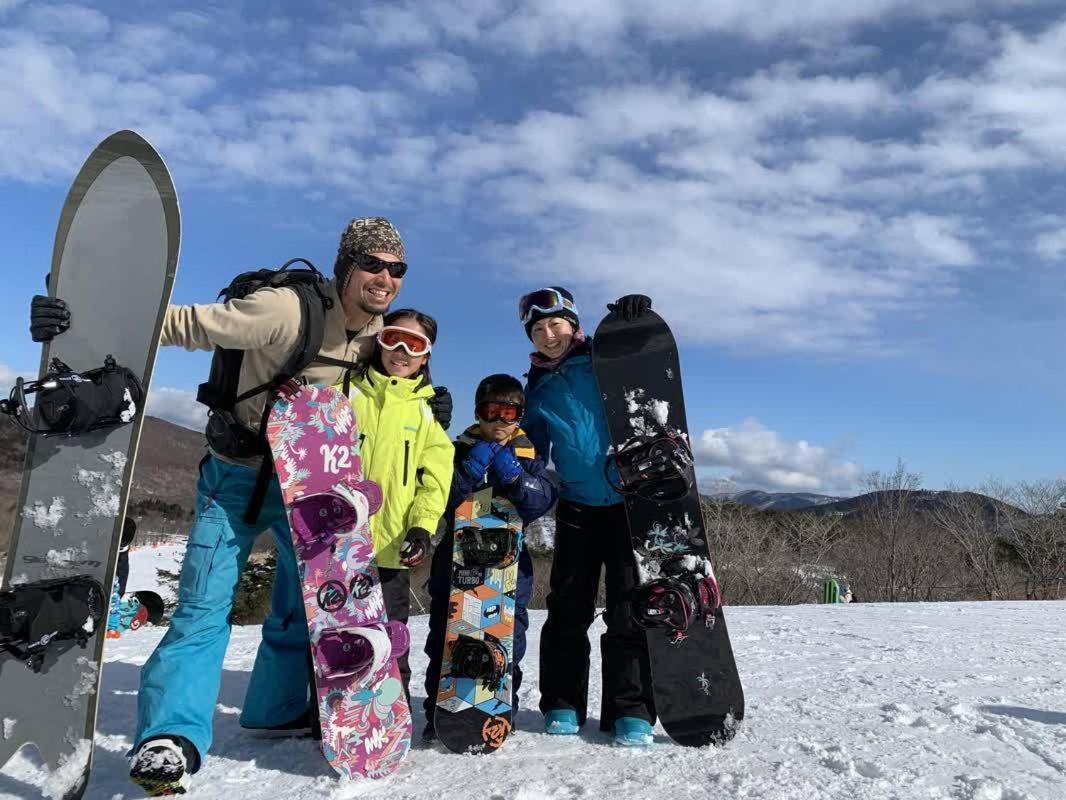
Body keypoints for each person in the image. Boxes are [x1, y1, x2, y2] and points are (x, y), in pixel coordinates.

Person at [29, 217, 453, 794]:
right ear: (347, 266)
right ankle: (171, 737)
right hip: (236, 477)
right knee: (205, 605)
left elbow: (388, 386)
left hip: (304, 488)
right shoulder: (287, 310)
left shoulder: (374, 332)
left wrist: (431, 398)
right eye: (373, 264)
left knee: (299, 607)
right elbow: (188, 325)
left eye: (396, 269)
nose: (386, 277)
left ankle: (275, 711)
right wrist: (79, 318)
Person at [518, 286, 660, 747]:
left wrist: (631, 324)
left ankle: (631, 708)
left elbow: (645, 375)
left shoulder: (604, 360)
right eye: (537, 329)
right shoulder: (537, 387)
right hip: (577, 507)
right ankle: (562, 702)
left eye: (555, 324)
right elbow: (534, 450)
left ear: (573, 323)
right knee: (567, 609)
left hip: (627, 503)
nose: (548, 334)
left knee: (628, 610)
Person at [420, 373, 556, 742]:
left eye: (508, 412)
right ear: (478, 412)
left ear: (519, 416)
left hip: (508, 569)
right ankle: (439, 709)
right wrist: (466, 472)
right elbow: (437, 501)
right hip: (456, 561)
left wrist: (514, 477)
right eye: (490, 411)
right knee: (447, 636)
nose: (498, 420)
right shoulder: (456, 449)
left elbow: (542, 500)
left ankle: (500, 707)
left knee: (507, 636)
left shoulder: (528, 456)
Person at [337, 307, 455, 704]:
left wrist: (422, 527)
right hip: (337, 542)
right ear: (379, 341)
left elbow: (435, 480)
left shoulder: (427, 413)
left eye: (414, 344)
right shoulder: (347, 389)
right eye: (393, 339)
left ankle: (390, 710)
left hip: (391, 546)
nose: (401, 351)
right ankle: (331, 709)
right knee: (336, 632)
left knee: (389, 632)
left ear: (426, 356)